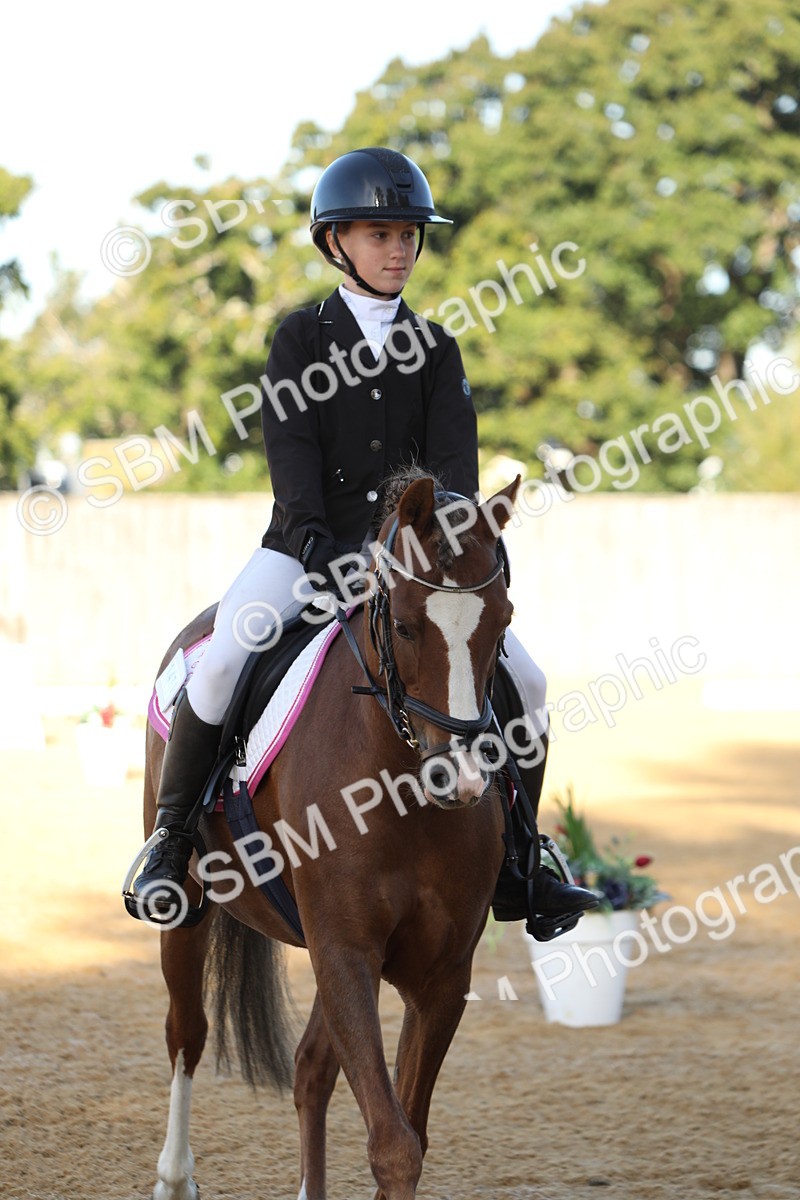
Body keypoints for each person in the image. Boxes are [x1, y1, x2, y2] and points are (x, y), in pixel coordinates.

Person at [132, 146, 597, 928]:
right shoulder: (298, 340)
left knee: (535, 685)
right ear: (335, 242)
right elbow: (294, 465)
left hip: (417, 568)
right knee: (217, 669)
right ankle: (171, 843)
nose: (399, 250)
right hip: (302, 551)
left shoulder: (438, 348)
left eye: (409, 235)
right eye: (380, 234)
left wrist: (446, 555)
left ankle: (522, 859)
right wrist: (328, 558)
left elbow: (453, 475)